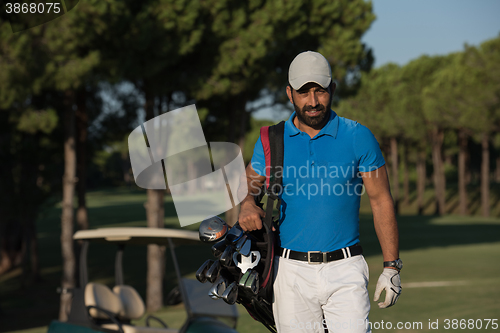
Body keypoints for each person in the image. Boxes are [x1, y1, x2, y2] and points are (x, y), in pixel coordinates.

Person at [237, 51, 402, 333]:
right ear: (289, 93)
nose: (313, 101)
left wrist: (391, 266)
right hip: (289, 271)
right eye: (303, 92)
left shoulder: (358, 136)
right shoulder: (270, 140)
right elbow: (247, 188)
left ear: (332, 90)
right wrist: (247, 204)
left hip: (346, 268)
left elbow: (380, 200)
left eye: (320, 91)